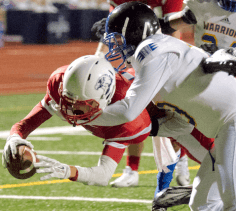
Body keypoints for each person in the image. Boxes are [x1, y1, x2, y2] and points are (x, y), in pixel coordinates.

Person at [88, 0, 236, 211]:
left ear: (133, 33)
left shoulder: (152, 51)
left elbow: (128, 110)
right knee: (202, 205)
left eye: (116, 38)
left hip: (234, 118)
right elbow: (183, 121)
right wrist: (153, 127)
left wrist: (89, 116)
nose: (113, 46)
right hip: (225, 126)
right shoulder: (156, 54)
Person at [93, 0, 190, 192]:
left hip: (164, 52)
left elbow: (173, 32)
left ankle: (182, 162)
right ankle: (131, 169)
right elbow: (114, 32)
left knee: (171, 111)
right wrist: (98, 60)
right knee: (133, 106)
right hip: (131, 53)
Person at [2, 55, 151, 186]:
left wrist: (68, 171)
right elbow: (25, 124)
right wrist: (14, 138)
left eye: (82, 104)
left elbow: (103, 175)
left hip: (158, 97)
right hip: (126, 81)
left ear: (104, 99)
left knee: (169, 140)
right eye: (69, 100)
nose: (71, 109)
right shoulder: (59, 81)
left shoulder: (125, 115)